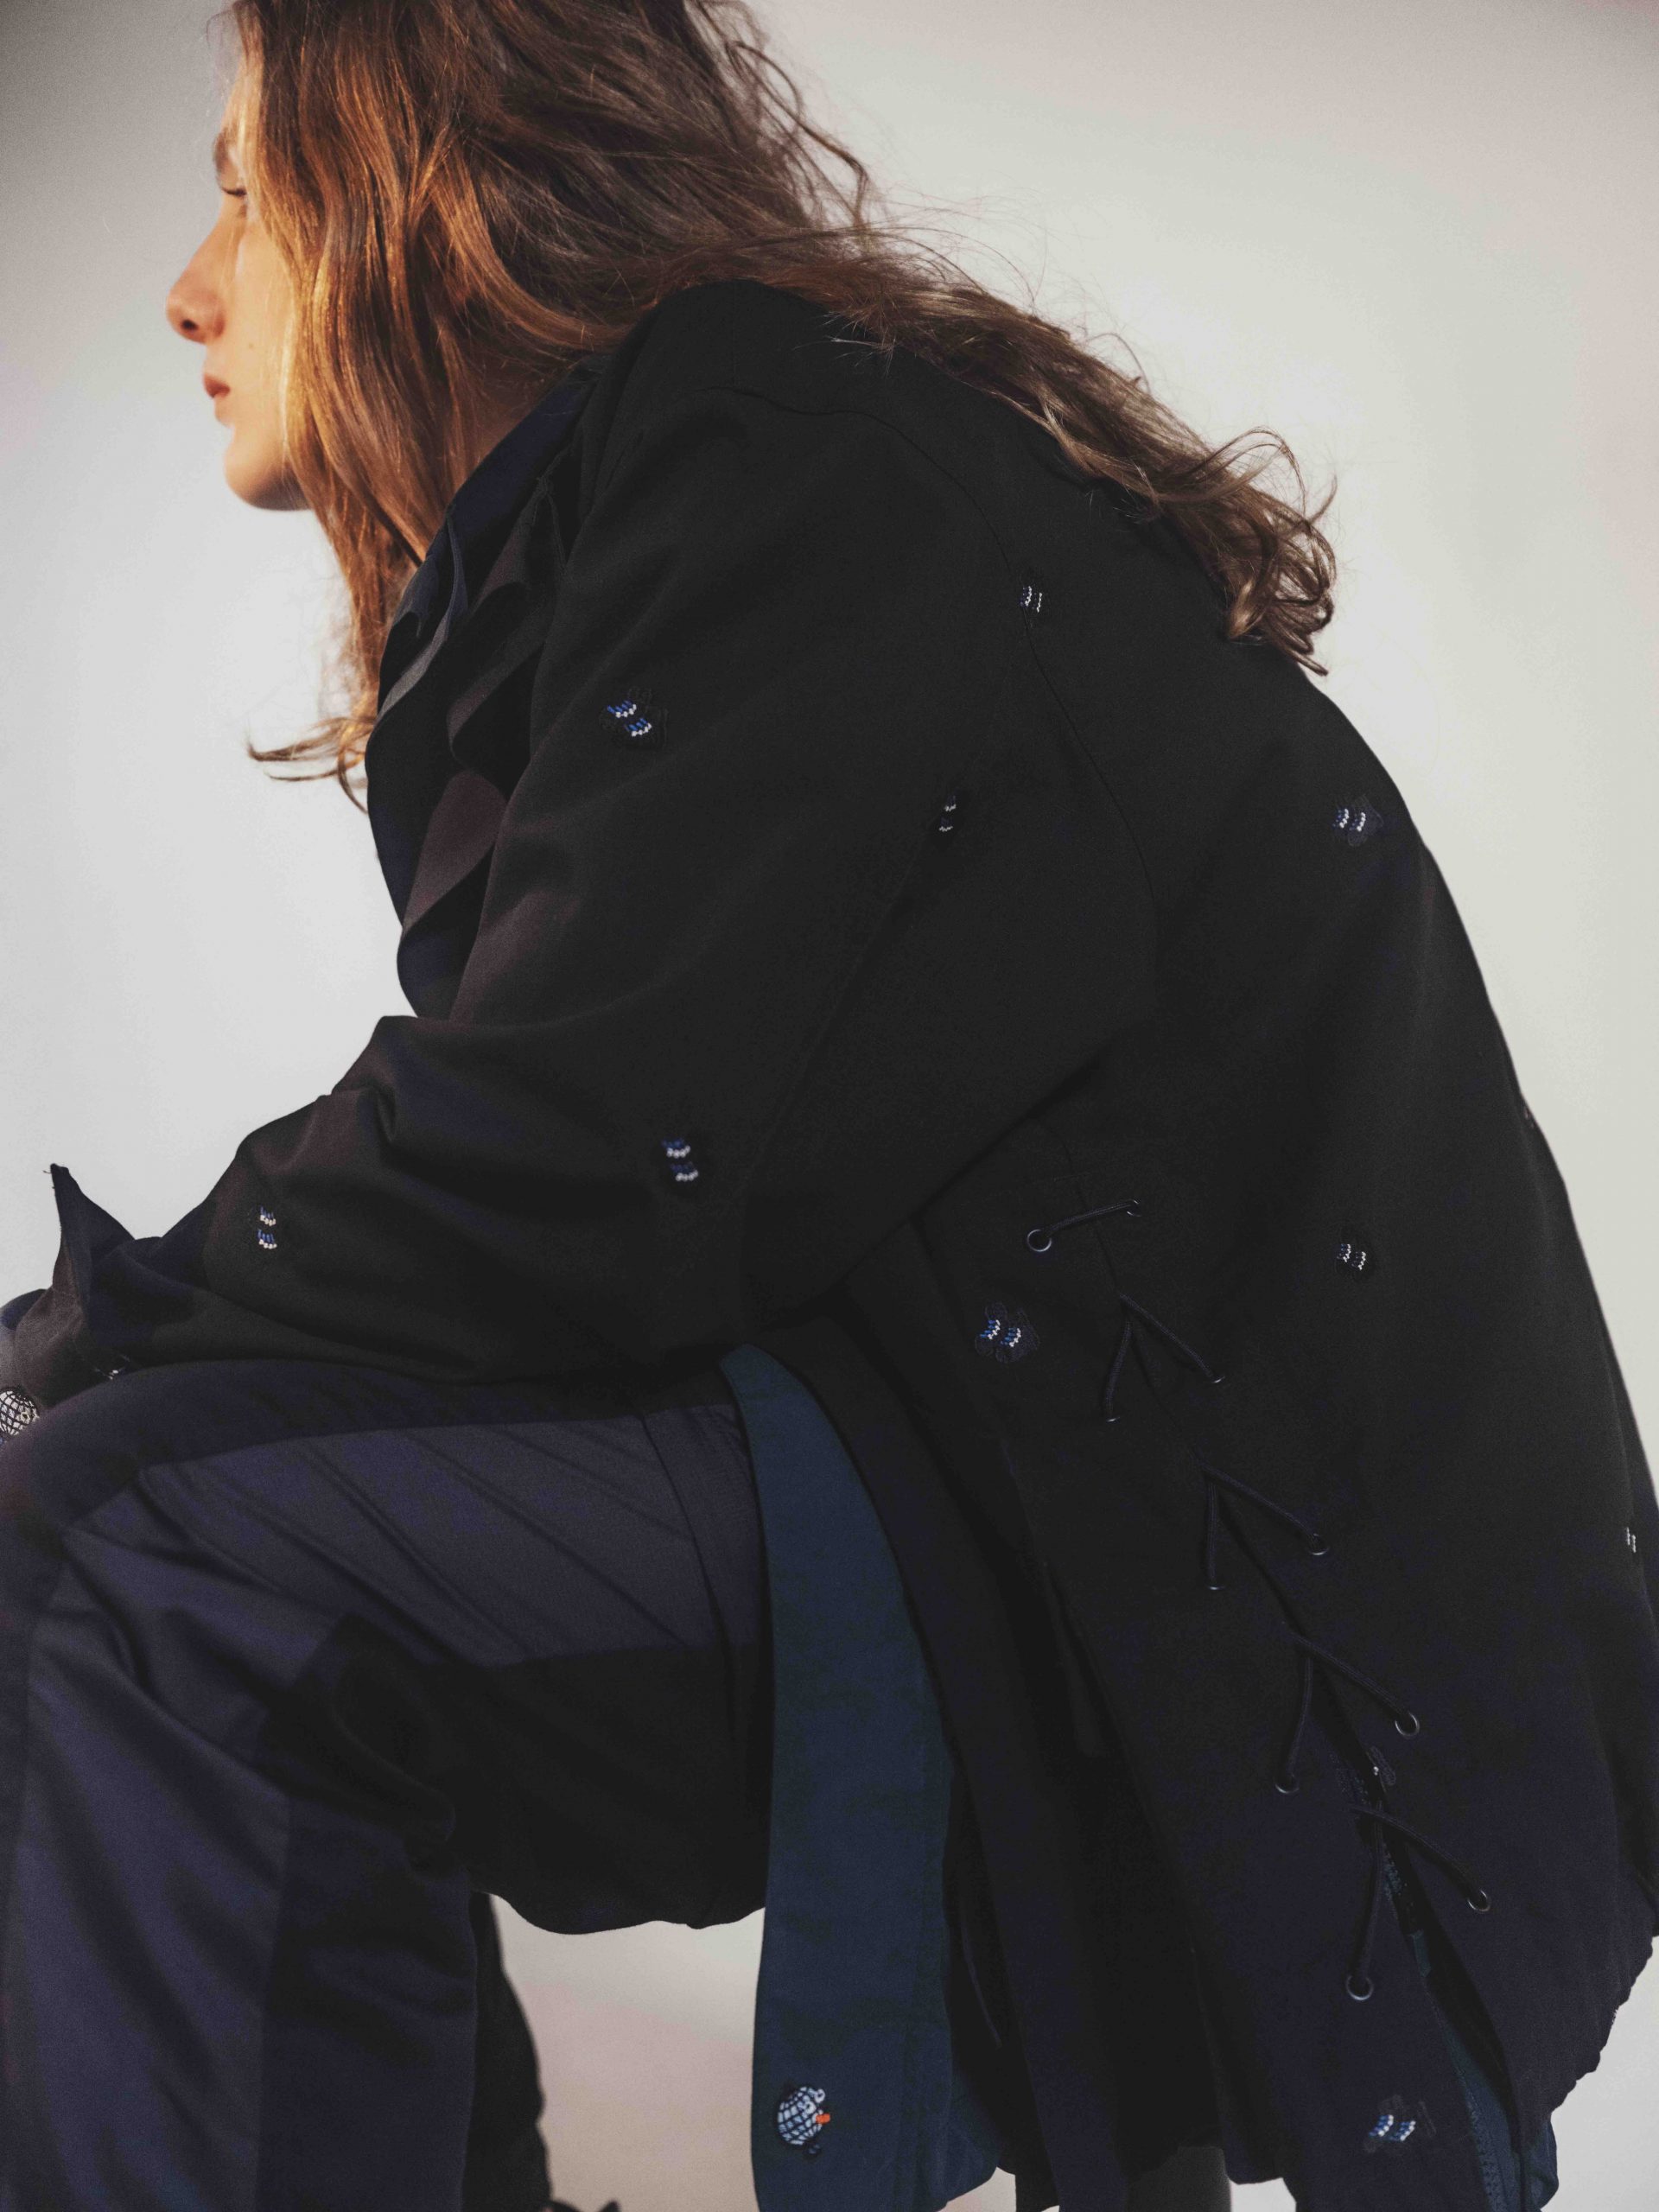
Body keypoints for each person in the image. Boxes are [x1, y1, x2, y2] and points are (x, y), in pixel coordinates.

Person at [2, 2, 1651, 2209]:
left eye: (244, 187)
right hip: (959, 1487)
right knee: (185, 1534)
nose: (191, 285)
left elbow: (575, 1150)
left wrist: (82, 1328)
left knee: (130, 1543)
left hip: (1149, 1580)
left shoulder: (776, 441)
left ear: (416, 182)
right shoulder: (678, 514)